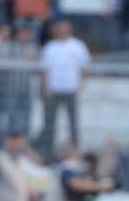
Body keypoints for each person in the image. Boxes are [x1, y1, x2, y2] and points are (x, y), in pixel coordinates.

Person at [38, 20, 90, 159]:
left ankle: (75, 150)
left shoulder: (78, 46)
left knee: (73, 122)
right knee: (49, 122)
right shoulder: (50, 47)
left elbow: (84, 67)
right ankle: (47, 151)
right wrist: (45, 86)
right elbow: (44, 69)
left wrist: (81, 84)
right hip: (53, 89)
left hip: (70, 89)